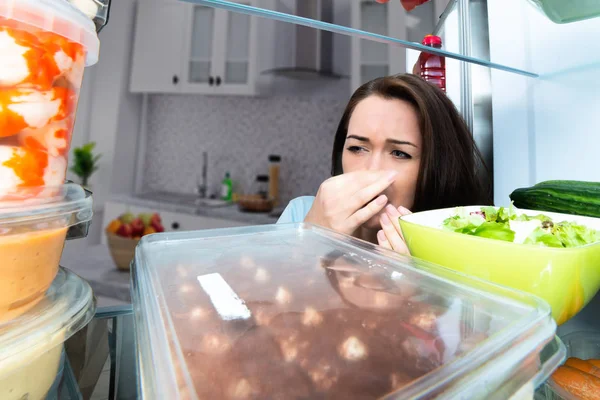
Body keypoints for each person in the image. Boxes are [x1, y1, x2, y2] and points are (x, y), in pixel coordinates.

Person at [277, 73, 491, 255]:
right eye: (357, 148)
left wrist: (420, 290)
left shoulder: (460, 249)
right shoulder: (300, 213)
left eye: (399, 153)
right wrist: (309, 240)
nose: (372, 170)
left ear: (439, 167)